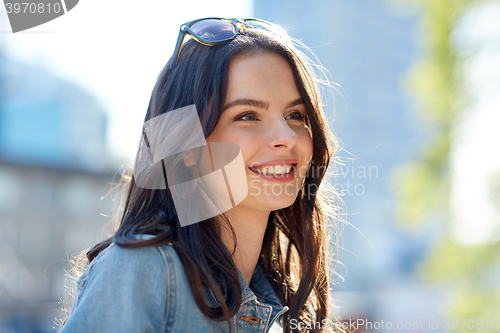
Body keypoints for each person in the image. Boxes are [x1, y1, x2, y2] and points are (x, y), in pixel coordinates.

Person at [59, 17, 343, 333]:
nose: (287, 136)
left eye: (295, 115)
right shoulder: (142, 270)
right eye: (248, 116)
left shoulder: (283, 302)